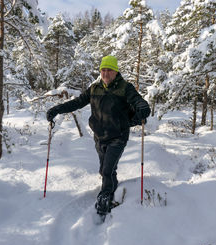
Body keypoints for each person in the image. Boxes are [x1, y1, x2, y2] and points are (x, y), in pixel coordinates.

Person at [46, 55, 150, 216]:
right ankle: (112, 185)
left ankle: (105, 196)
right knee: (104, 170)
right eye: (103, 70)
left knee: (108, 170)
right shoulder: (95, 88)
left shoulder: (125, 87)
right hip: (99, 136)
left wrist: (142, 106)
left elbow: (137, 101)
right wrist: (56, 109)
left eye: (109, 70)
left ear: (116, 72)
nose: (106, 73)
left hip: (118, 136)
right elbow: (77, 102)